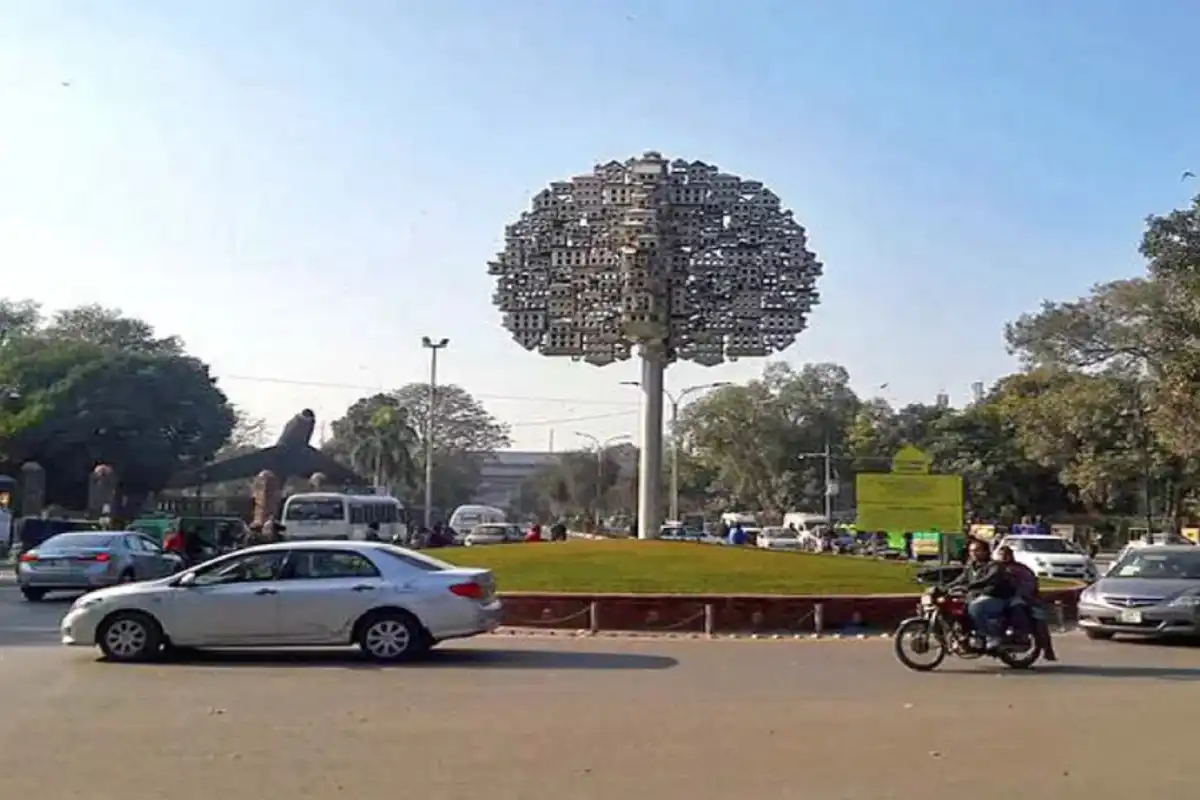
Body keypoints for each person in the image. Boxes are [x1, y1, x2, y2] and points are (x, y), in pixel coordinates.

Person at [995, 545, 1057, 661]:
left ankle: (1047, 649)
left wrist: (1022, 595)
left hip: (1027, 599)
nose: (1003, 557)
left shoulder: (1020, 569)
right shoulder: (996, 568)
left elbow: (1028, 585)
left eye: (1006, 555)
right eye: (1001, 555)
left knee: (1038, 620)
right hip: (1005, 598)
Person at [949, 539, 1014, 650]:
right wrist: (944, 588)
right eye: (971, 551)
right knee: (957, 606)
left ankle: (991, 636)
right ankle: (964, 635)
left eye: (977, 550)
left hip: (996, 598)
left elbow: (987, 580)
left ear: (986, 552)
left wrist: (969, 586)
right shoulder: (970, 567)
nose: (973, 553)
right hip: (977, 596)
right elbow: (960, 580)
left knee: (976, 606)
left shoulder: (994, 566)